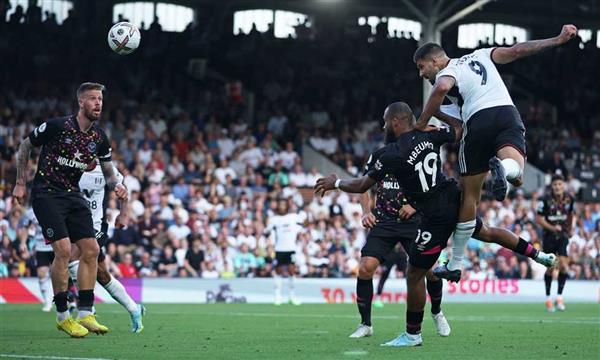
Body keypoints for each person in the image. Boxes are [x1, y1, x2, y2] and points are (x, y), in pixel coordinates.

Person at [314, 102, 556, 347]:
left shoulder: (389, 153)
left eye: (386, 120)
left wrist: (335, 183)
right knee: (485, 232)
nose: (383, 125)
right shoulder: (428, 136)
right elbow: (459, 129)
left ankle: (413, 334)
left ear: (396, 122)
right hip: (453, 196)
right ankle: (538, 255)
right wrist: (438, 113)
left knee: (415, 273)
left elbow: (361, 186)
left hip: (433, 215)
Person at [412, 24, 578, 280]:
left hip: (478, 122)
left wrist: (421, 123)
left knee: (470, 197)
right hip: (506, 113)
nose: (422, 74)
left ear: (435, 60)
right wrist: (557, 39)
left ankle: (455, 264)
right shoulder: (481, 55)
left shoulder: (450, 70)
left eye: (422, 67)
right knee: (517, 172)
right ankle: (505, 168)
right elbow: (518, 50)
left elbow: (442, 87)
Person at [12, 82, 128, 338]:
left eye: (100, 99)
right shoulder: (57, 126)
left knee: (91, 249)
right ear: (81, 102)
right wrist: (20, 182)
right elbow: (24, 147)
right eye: (92, 99)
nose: (98, 103)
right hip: (46, 193)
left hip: (72, 195)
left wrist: (117, 187)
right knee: (63, 250)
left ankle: (86, 314)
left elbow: (109, 174)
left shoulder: (98, 138)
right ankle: (63, 316)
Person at [349, 128, 449, 339]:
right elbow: (364, 187)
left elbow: (434, 186)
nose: (384, 128)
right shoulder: (380, 155)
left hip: (414, 222)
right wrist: (366, 211)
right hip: (383, 222)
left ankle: (437, 311)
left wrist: (414, 207)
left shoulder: (419, 153)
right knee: (365, 269)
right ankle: (365, 324)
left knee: (431, 271)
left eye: (386, 122)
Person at [68, 160, 145, 333]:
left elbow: (123, 192)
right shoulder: (71, 167)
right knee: (102, 275)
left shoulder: (106, 169)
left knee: (71, 256)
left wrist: (123, 215)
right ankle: (134, 308)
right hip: (74, 224)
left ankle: (87, 308)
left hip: (95, 226)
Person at [536, 174, 575, 312]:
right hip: (549, 237)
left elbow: (571, 214)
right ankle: (548, 298)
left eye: (559, 184)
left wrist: (570, 229)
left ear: (563, 185)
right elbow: (539, 220)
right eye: (555, 185)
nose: (557, 187)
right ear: (551, 187)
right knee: (551, 267)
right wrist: (553, 228)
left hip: (563, 235)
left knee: (564, 266)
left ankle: (559, 297)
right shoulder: (544, 200)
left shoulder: (570, 198)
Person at [264, 199, 303, 305]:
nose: (282, 207)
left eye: (284, 205)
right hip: (279, 249)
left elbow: (302, 226)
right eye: (280, 205)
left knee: (292, 272)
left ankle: (292, 296)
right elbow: (267, 232)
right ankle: (277, 296)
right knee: (278, 272)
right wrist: (270, 245)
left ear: (287, 206)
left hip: (291, 249)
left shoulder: (293, 217)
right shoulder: (274, 219)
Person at [24, 208, 54, 312]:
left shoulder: (55, 205)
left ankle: (68, 299)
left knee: (61, 273)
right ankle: (47, 301)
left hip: (57, 246)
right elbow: (25, 227)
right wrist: (23, 243)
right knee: (41, 273)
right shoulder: (31, 212)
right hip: (41, 247)